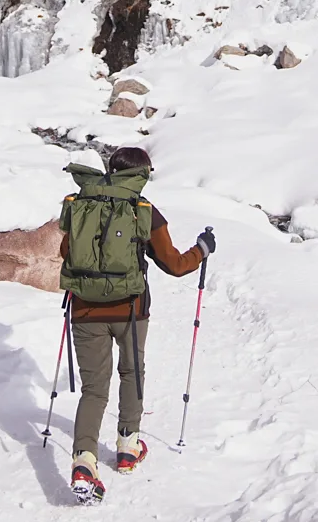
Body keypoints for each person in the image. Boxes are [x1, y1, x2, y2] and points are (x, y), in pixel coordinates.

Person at [57, 145, 214, 503]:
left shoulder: (83, 203)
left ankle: (84, 460)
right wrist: (202, 249)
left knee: (94, 389)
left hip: (84, 310)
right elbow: (174, 265)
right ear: (142, 174)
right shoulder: (143, 210)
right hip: (130, 310)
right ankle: (128, 448)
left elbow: (67, 252)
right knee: (132, 373)